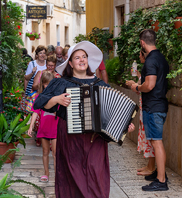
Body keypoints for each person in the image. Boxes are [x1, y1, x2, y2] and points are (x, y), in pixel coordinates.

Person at [33, 41, 135, 197]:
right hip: (70, 140)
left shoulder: (100, 84)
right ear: (71, 64)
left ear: (88, 61)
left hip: (96, 140)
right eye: (77, 58)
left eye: (84, 57)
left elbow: (113, 112)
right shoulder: (61, 83)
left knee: (96, 177)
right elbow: (39, 102)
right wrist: (57, 100)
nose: (81, 60)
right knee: (72, 178)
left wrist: (125, 125)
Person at [131, 29, 169, 191]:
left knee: (156, 142)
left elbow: (150, 85)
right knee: (155, 141)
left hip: (153, 107)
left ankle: (161, 181)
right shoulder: (161, 58)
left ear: (142, 43)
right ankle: (159, 174)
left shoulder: (151, 60)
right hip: (158, 105)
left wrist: (136, 87)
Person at [126, 48, 156, 176]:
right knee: (146, 136)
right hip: (144, 105)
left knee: (150, 137)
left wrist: (134, 85)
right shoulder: (146, 69)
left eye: (140, 54)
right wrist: (137, 76)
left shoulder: (150, 68)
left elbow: (144, 87)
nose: (139, 57)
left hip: (148, 106)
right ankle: (149, 165)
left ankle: (152, 167)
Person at [28, 71, 58, 183]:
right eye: (46, 83)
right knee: (45, 152)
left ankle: (57, 174)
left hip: (55, 129)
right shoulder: (39, 97)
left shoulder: (57, 97)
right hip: (44, 128)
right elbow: (35, 112)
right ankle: (46, 173)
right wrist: (31, 127)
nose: (48, 86)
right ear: (42, 84)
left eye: (50, 83)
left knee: (55, 152)